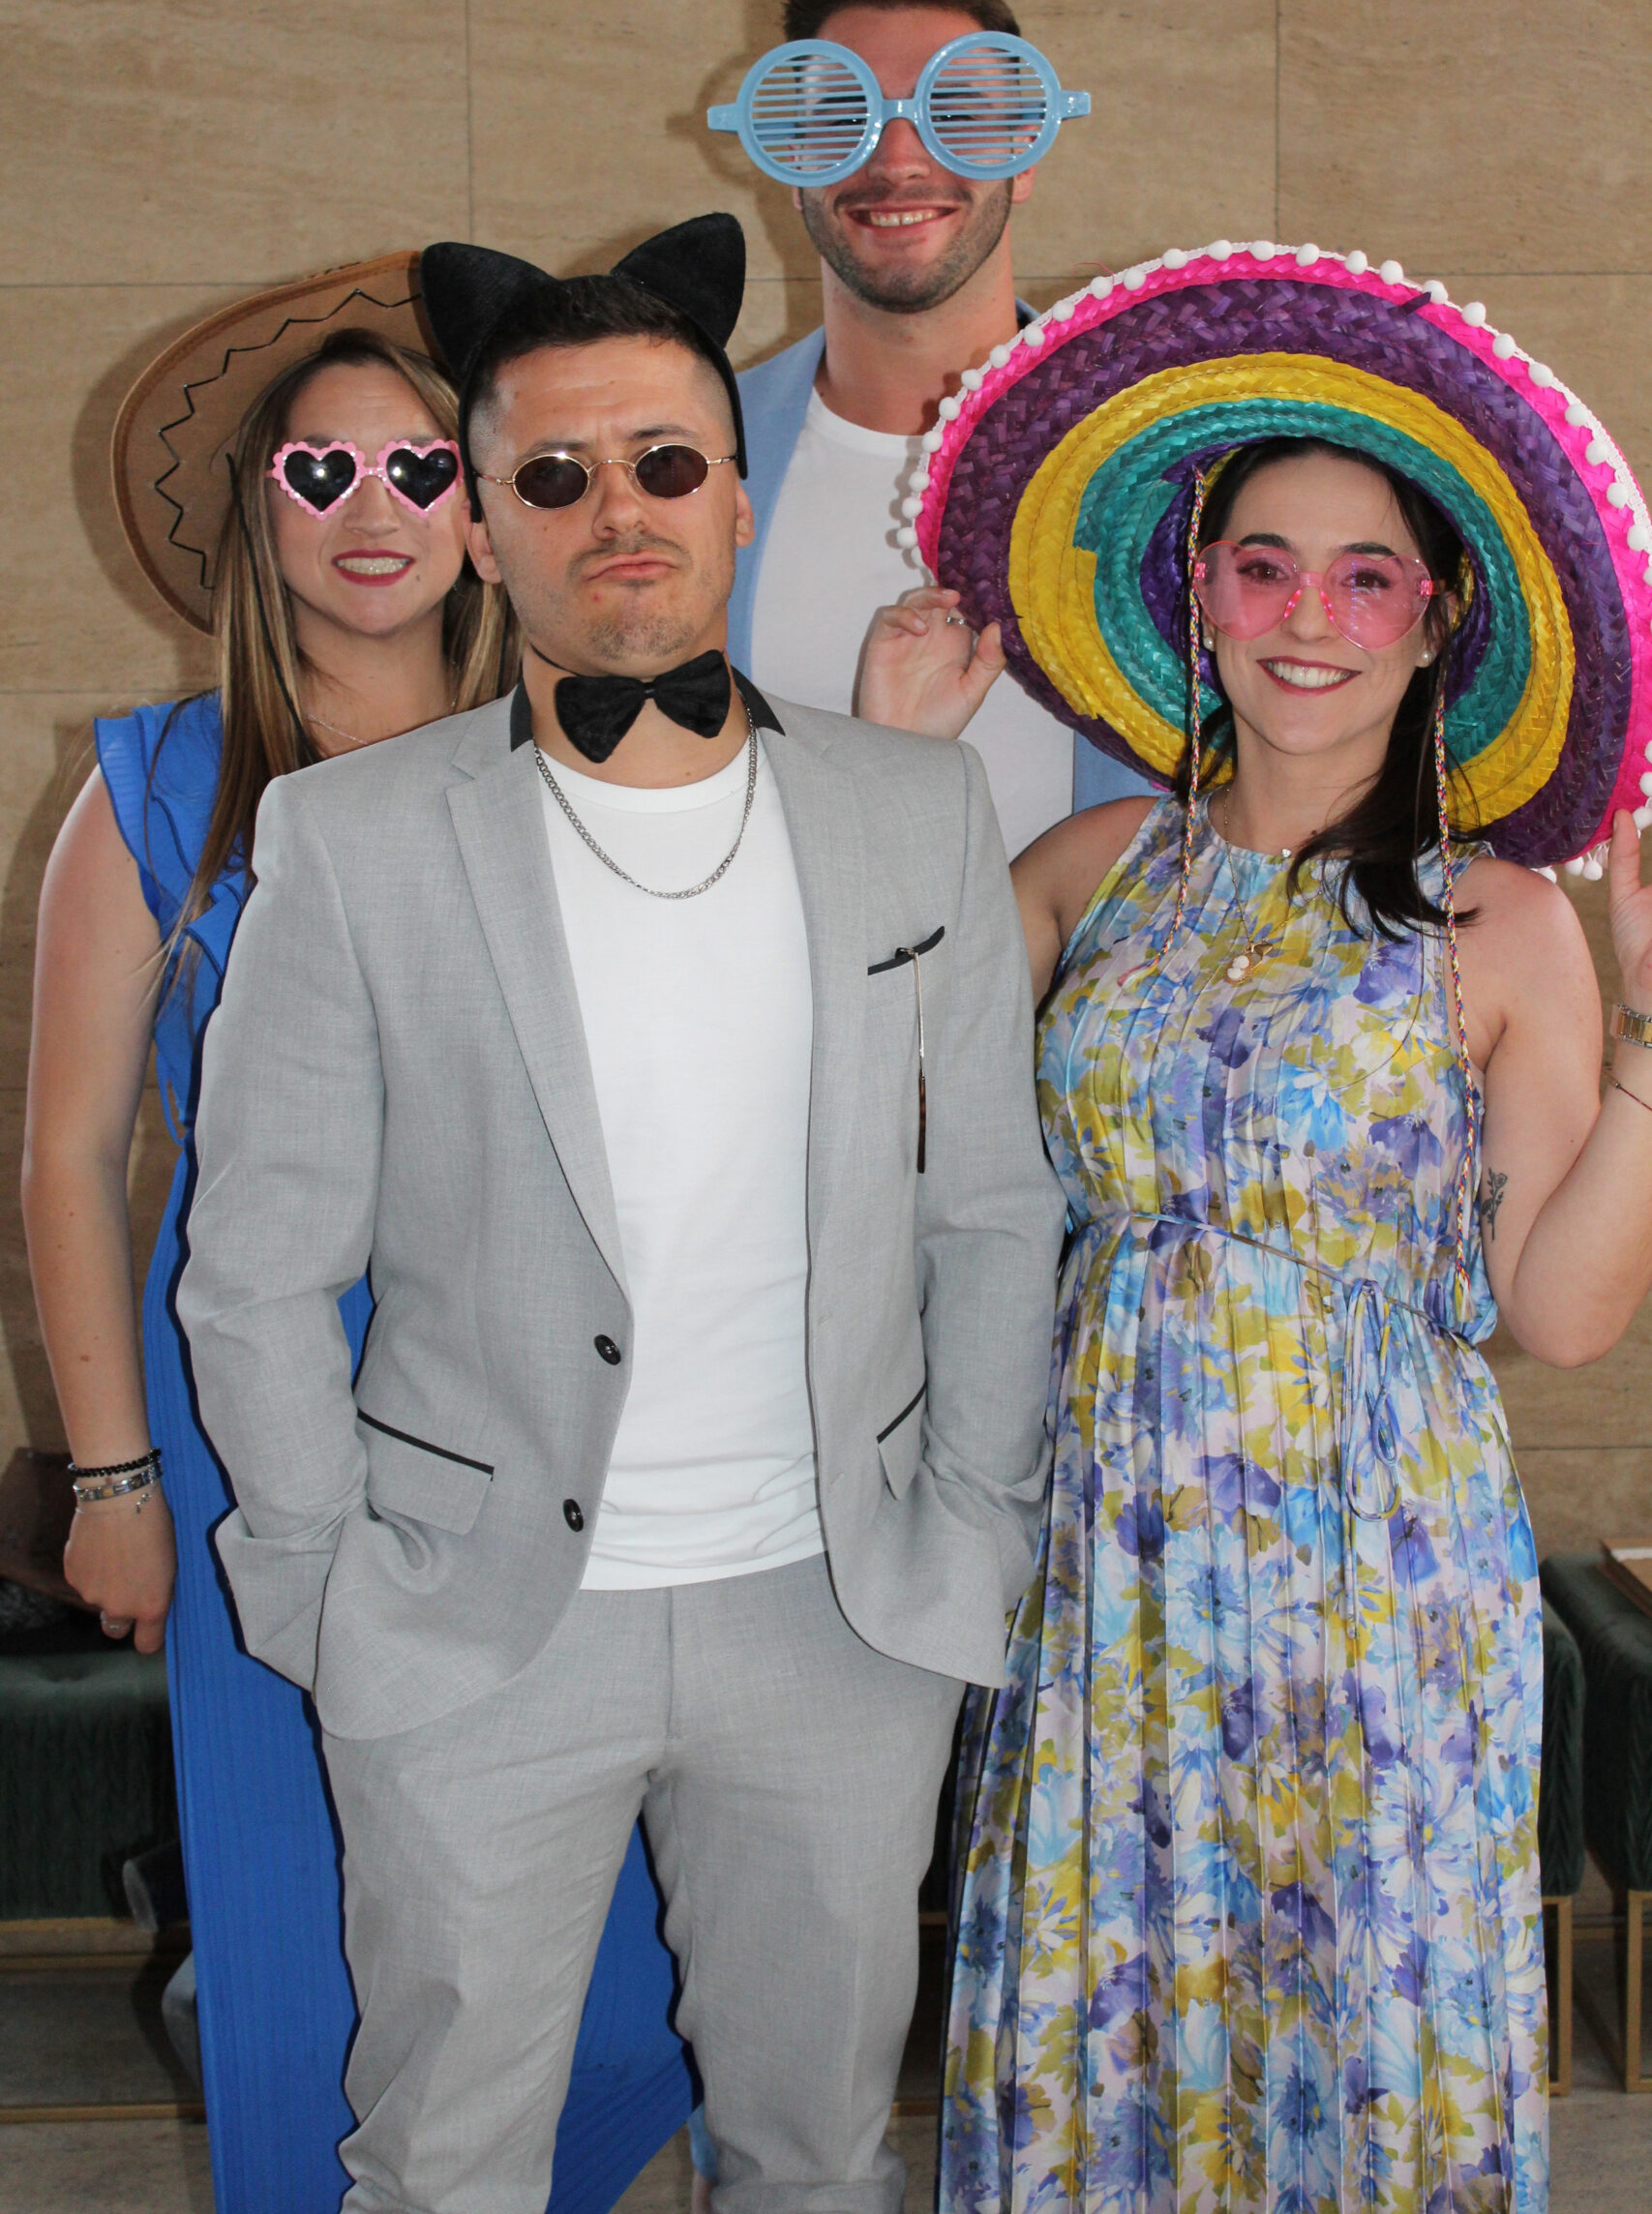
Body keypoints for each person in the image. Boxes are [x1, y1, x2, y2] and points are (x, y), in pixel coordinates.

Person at [173, 213, 1066, 2214]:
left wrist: (974, 1527)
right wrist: (323, 1580)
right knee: (441, 2166)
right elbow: (256, 1265)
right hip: (473, 1628)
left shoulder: (912, 811)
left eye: (665, 461)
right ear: (486, 530)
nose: (619, 512)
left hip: (839, 1614)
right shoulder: (349, 836)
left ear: (737, 494)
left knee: (816, 2159)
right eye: (554, 476)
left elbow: (991, 1214)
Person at [859, 241, 1652, 2211]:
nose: (1309, 615)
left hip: (1378, 1584)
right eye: (1264, 564)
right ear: (1193, 592)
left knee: (1350, 2028)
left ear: (1435, 619)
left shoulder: (1501, 920)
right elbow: (869, 1093)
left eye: (1365, 575)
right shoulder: (1087, 866)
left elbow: (1558, 1313)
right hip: (1110, 1564)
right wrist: (888, 774)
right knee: (1113, 2018)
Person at [20, 260, 691, 2214]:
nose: (372, 506)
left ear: (485, 508)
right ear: (260, 510)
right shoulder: (152, 786)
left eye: (419, 465)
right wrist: (111, 1478)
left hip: (550, 1407)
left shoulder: (593, 766)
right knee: (313, 1911)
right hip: (260, 1417)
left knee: (610, 1946)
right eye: (321, 469)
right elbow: (66, 1155)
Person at [713, 0, 1143, 854]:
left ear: (1026, 153)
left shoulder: (1151, 452)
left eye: (956, 114)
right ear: (788, 159)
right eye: (842, 115)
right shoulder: (695, 460)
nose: (898, 156)